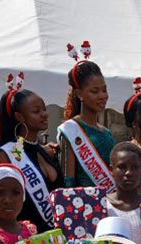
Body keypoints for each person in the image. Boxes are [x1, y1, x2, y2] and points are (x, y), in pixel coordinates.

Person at [0, 80, 63, 232]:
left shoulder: (44, 150)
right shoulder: (8, 153)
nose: (44, 114)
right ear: (20, 117)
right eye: (36, 111)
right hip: (27, 239)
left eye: (44, 109)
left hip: (55, 238)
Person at [58, 49, 115, 189]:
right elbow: (68, 181)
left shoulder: (107, 133)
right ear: (79, 94)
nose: (102, 96)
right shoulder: (71, 130)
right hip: (84, 205)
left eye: (104, 90)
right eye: (95, 91)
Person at [103, 142, 141, 244]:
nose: (129, 173)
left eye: (134, 167)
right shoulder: (101, 206)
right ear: (111, 170)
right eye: (122, 167)